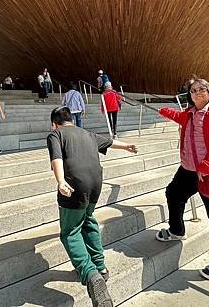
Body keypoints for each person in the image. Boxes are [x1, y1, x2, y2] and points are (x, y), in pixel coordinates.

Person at [47, 106, 138, 307]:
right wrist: (127, 146)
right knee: (88, 220)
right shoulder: (87, 133)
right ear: (72, 119)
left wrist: (61, 181)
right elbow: (111, 141)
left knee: (70, 232)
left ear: (54, 123)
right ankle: (101, 267)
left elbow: (57, 158)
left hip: (74, 184)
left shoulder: (55, 134)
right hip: (96, 184)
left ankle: (90, 275)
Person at [156, 77, 209, 281]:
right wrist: (163, 111)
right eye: (193, 90)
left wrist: (206, 167)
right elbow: (179, 116)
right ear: (190, 95)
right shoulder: (190, 114)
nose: (198, 92)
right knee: (173, 193)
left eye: (202, 89)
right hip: (189, 169)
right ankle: (176, 229)